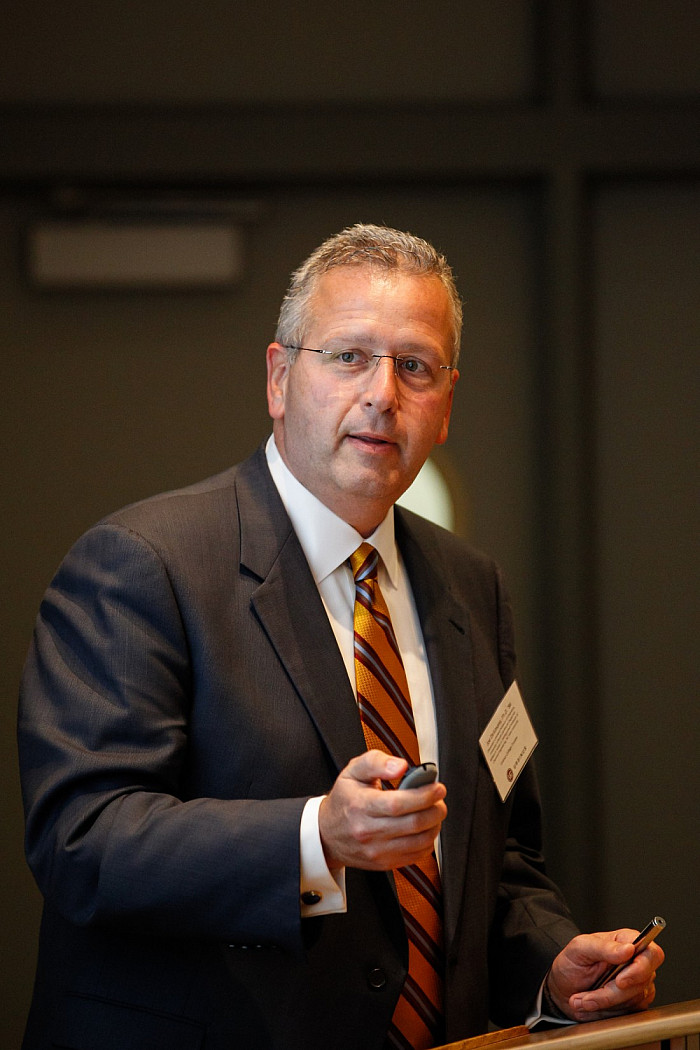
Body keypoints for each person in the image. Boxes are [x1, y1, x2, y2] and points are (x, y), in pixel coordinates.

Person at [18, 224, 663, 1050]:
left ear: (447, 404)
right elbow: (85, 841)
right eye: (349, 356)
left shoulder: (473, 588)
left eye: (415, 366)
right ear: (281, 378)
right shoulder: (144, 565)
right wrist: (313, 838)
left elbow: (494, 863)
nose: (383, 394)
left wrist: (550, 964)